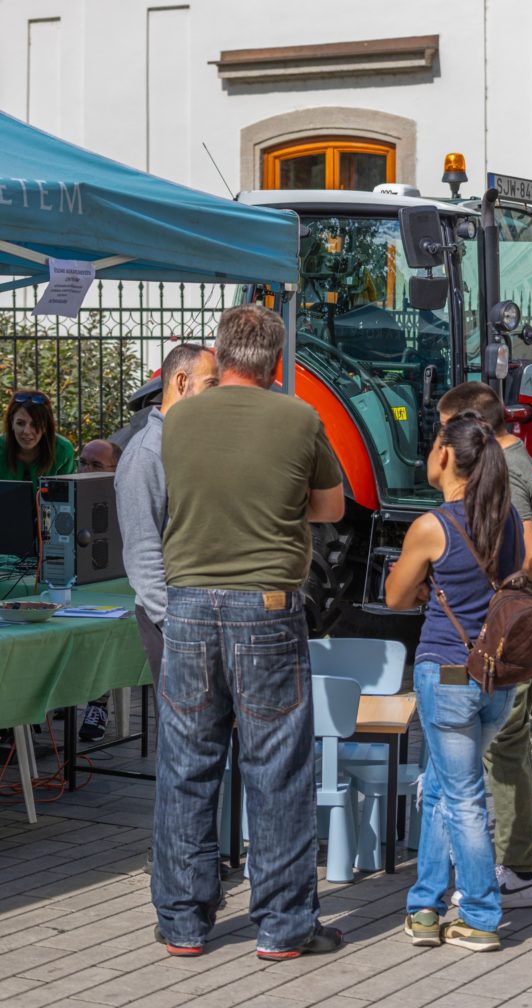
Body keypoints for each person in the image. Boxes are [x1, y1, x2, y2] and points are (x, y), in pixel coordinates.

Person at [153, 305, 345, 960]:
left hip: (185, 609)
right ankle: (284, 927)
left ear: (220, 352)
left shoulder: (177, 420)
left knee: (186, 763)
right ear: (275, 360)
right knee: (277, 767)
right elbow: (330, 506)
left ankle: (181, 922)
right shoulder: (298, 417)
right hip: (264, 608)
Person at [438, 382, 532, 908]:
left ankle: (516, 870)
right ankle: (529, 856)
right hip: (526, 616)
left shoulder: (506, 475)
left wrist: (506, 591)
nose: (442, 439)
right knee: (514, 741)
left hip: (508, 622)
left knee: (503, 746)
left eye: (446, 426)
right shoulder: (518, 459)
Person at [386, 412, 522, 953]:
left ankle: (483, 914)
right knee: (441, 787)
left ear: (445, 455)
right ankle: (423, 907)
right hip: (497, 677)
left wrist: (425, 591)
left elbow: (397, 596)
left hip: (445, 673)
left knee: (461, 795)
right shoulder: (508, 520)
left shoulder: (432, 526)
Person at [114, 344, 218, 697]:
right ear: (181, 381)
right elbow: (142, 550)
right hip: (175, 618)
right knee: (185, 735)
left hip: (203, 611)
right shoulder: (146, 453)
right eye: (212, 385)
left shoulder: (196, 443)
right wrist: (174, 621)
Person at [76, 438, 124, 742]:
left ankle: (98, 703)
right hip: (73, 582)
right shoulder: (65, 493)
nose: (85, 469)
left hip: (115, 586)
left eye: (96, 465)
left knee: (103, 634)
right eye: (83, 462)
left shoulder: (125, 498)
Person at [0, 389, 74, 491]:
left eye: (35, 424)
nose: (27, 431)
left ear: (45, 426)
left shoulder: (63, 450)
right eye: (20, 423)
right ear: (12, 423)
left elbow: (67, 498)